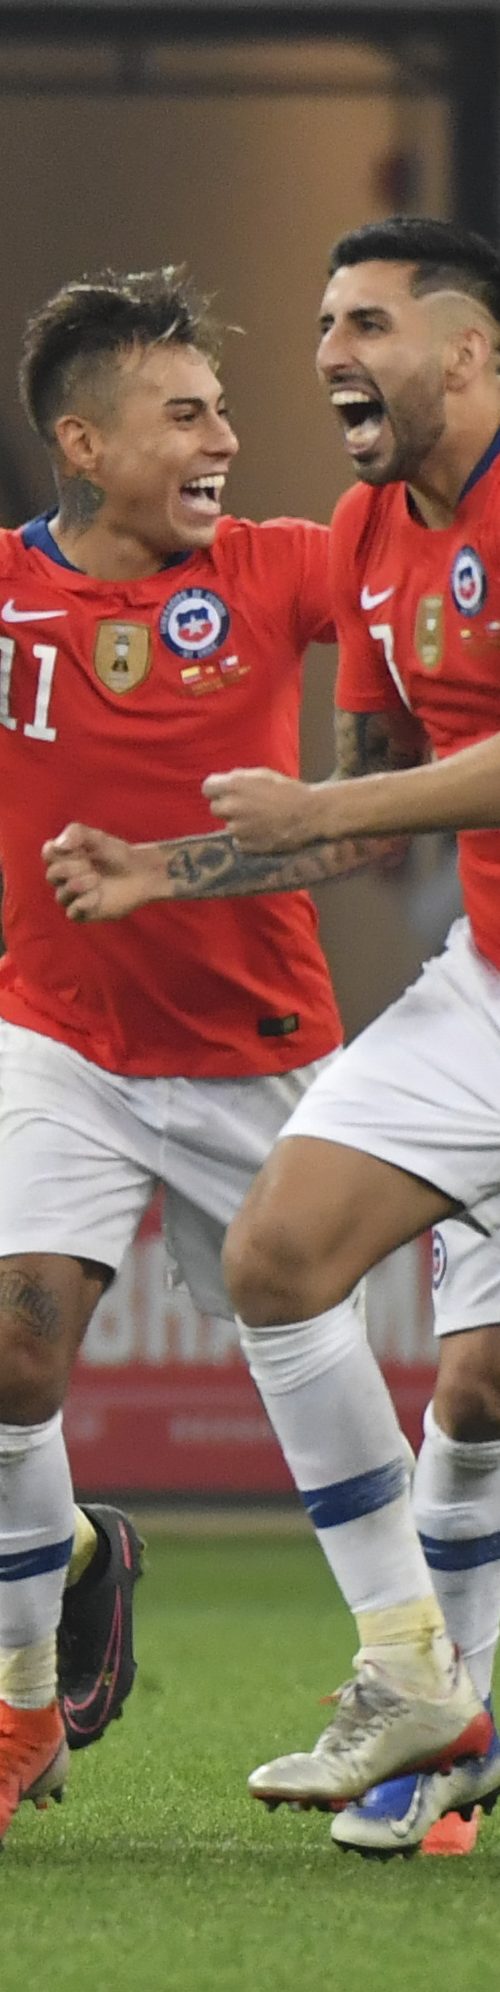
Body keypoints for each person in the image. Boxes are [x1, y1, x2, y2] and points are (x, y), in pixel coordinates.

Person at [45, 218, 500, 1857]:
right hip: (485, 987)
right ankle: (419, 1691)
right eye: (322, 323)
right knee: (283, 1259)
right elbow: (365, 811)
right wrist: (166, 870)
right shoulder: (374, 532)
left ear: (467, 350)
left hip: (407, 1005)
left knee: (485, 1390)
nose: (327, 356)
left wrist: (324, 804)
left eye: (365, 322)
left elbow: (349, 802)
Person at [0, 258, 385, 1847]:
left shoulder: (283, 568)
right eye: (185, 415)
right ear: (84, 447)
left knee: (338, 1355)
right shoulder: (7, 601)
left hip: (259, 1052)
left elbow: (372, 778)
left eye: (221, 408)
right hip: (62, 1038)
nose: (224, 438)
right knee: (13, 1350)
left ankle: (415, 1682)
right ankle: (23, 1703)